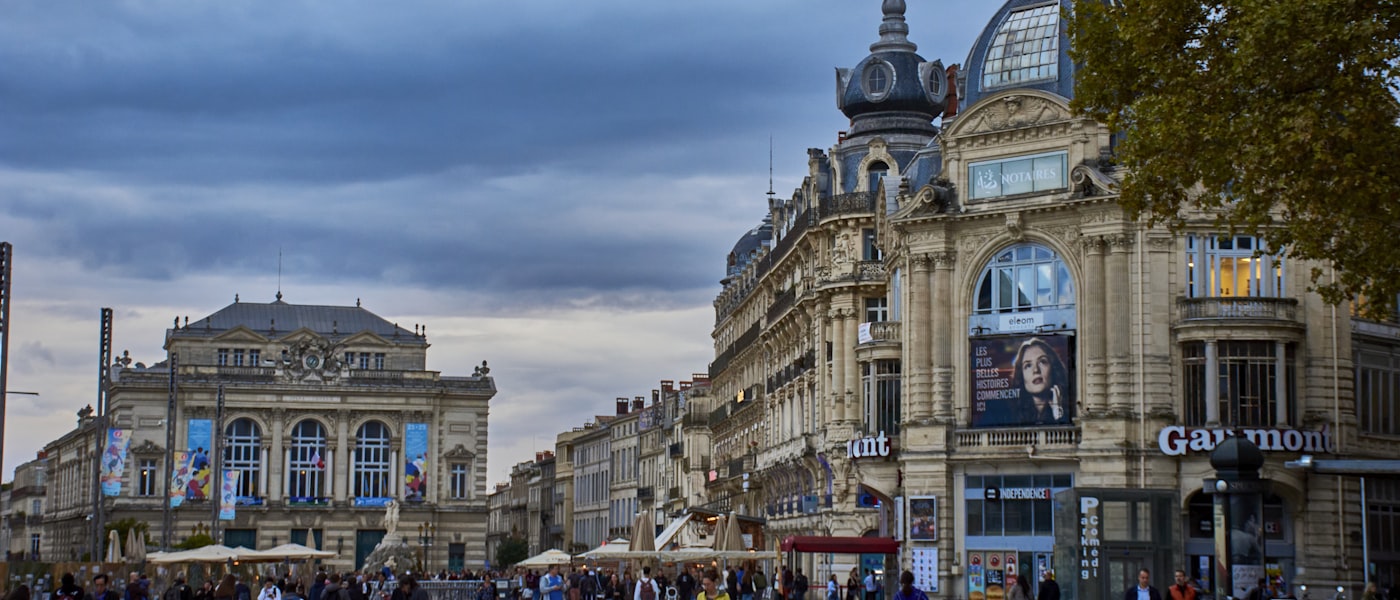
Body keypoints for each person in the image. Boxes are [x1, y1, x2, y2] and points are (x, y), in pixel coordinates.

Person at [1012, 337, 1071, 425]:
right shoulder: (1008, 414)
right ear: (1021, 376)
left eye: (1042, 362)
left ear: (1054, 369)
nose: (1036, 370)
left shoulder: (1072, 405)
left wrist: (1057, 411)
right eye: (1028, 366)